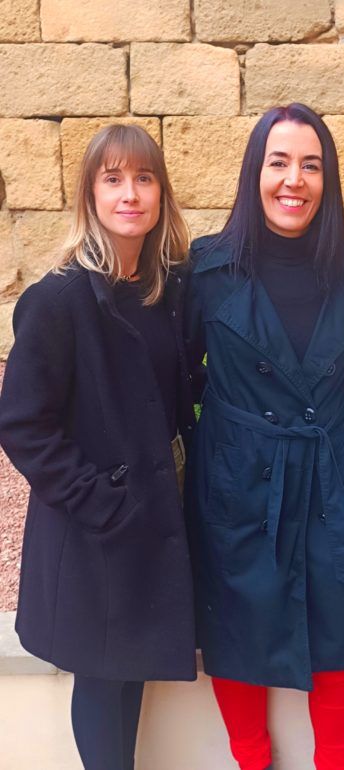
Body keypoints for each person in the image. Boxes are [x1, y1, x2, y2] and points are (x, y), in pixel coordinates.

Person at [0, 124, 197, 770]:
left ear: (162, 194)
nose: (130, 194)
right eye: (112, 180)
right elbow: (23, 423)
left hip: (151, 518)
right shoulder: (57, 300)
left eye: (144, 178)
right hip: (96, 528)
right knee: (102, 677)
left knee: (129, 670)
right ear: (90, 195)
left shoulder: (166, 292)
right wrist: (100, 501)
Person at [185, 103, 344, 770]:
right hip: (237, 480)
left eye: (311, 165)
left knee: (340, 635)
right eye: (280, 162)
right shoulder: (206, 270)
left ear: (328, 179)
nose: (294, 180)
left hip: (327, 476)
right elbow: (175, 375)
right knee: (236, 631)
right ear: (255, 171)